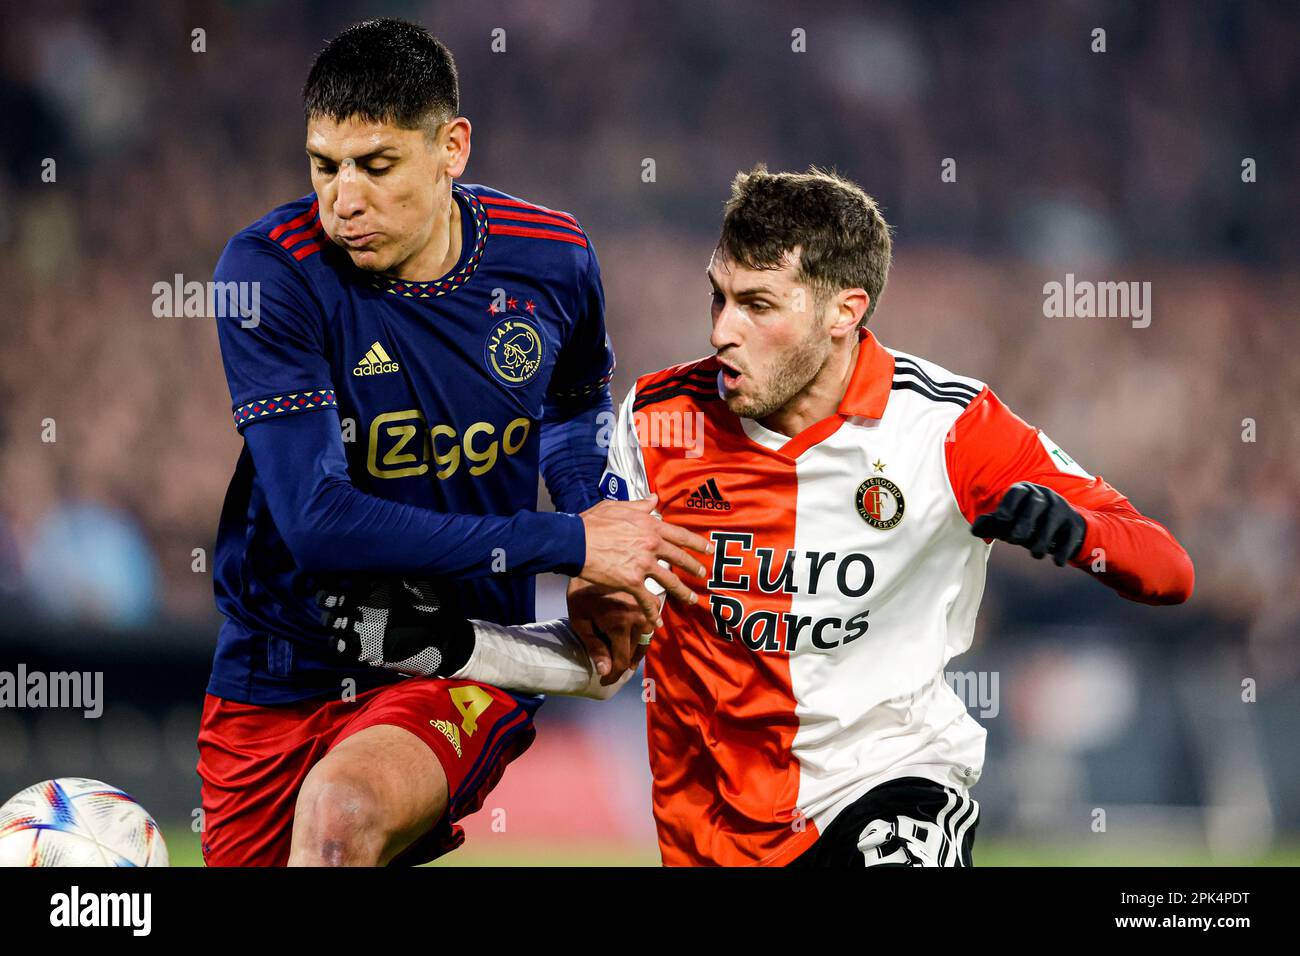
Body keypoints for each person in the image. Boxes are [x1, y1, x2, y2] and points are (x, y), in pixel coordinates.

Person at [326, 165, 1194, 867]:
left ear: (843, 312)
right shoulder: (656, 426)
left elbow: (1168, 570)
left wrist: (1077, 535)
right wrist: (462, 644)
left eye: (758, 305)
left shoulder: (950, 428)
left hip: (891, 782)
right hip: (711, 831)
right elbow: (606, 659)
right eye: (719, 298)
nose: (723, 331)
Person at [196, 18, 708, 867]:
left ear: (452, 148)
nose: (344, 200)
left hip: (461, 652)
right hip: (283, 659)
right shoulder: (269, 273)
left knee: (340, 817)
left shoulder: (551, 258)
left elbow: (573, 412)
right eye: (324, 166)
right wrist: (570, 541)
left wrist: (598, 540)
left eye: (376, 164)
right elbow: (317, 522)